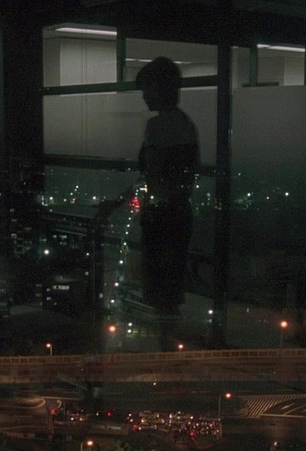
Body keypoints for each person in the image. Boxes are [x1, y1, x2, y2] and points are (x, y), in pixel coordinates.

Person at [101, 57, 199, 322]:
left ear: (159, 88)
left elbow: (151, 177)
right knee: (170, 291)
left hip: (161, 218)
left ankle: (166, 339)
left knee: (159, 289)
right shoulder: (186, 124)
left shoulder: (158, 126)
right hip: (179, 215)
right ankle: (170, 338)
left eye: (146, 88)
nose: (144, 96)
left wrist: (117, 203)